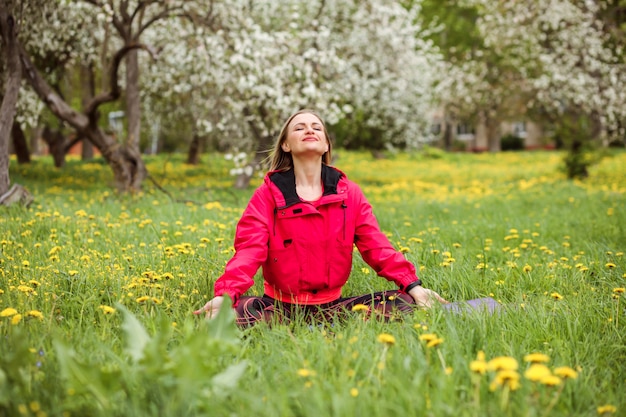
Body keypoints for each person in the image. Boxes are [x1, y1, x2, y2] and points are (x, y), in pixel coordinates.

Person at [194, 109, 447, 326]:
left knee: (404, 302)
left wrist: (412, 286)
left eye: (316, 127)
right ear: (286, 144)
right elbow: (249, 250)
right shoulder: (267, 195)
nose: (309, 130)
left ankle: (329, 324)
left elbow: (376, 246)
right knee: (227, 315)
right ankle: (297, 327)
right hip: (279, 308)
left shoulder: (350, 194)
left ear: (326, 144)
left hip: (333, 306)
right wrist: (225, 295)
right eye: (299, 127)